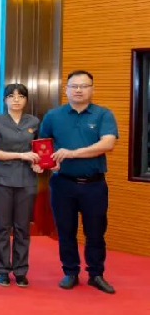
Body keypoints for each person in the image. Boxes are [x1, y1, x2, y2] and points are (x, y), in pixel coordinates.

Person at [39, 70, 118, 294]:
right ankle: (70, 272)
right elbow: (43, 145)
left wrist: (72, 153)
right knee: (66, 230)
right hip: (62, 184)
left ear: (92, 89)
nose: (79, 90)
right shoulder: (53, 115)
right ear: (66, 89)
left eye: (84, 86)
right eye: (74, 86)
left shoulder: (103, 114)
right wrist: (47, 163)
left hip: (94, 185)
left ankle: (96, 274)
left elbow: (107, 144)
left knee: (96, 231)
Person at [0, 83, 41, 288]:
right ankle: (2, 270)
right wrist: (21, 155)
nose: (16, 100)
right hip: (2, 180)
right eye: (11, 96)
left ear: (26, 100)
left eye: (21, 96)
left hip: (27, 181)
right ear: (5, 99)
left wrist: (39, 163)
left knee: (22, 228)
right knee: (2, 227)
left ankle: (20, 271)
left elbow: (40, 150)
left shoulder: (34, 122)